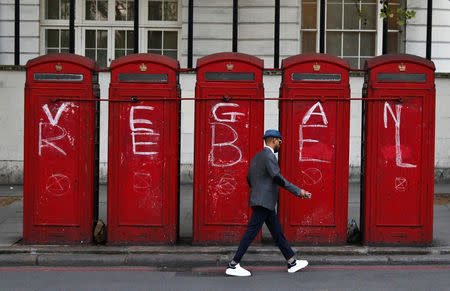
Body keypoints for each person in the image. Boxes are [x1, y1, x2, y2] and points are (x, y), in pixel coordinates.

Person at [225, 129, 311, 277]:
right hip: (264, 202)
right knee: (251, 233)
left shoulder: (257, 156)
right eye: (279, 141)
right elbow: (277, 177)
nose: (280, 144)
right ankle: (234, 264)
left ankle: (292, 262)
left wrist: (259, 191)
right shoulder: (269, 156)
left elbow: (249, 178)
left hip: (263, 201)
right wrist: (298, 191)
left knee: (278, 233)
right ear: (272, 140)